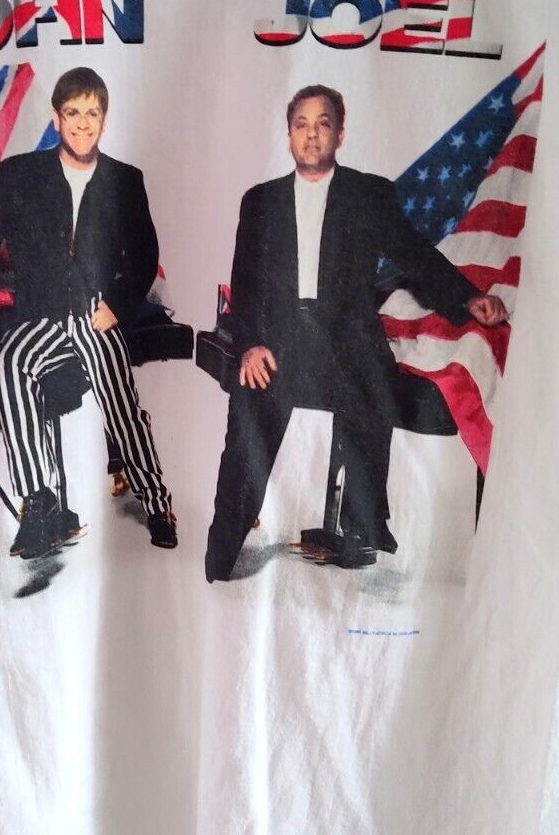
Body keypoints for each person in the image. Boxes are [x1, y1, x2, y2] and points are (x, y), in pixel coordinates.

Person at [205, 85, 508, 581]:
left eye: (323, 124)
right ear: (288, 135)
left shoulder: (368, 194)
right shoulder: (259, 202)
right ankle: (221, 554)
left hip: (346, 334)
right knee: (249, 423)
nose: (311, 135)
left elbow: (413, 254)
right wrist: (251, 345)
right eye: (301, 124)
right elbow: (246, 282)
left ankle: (361, 529)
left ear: (340, 134)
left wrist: (467, 297)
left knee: (370, 379)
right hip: (278, 339)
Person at [0, 66, 177, 561]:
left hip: (94, 314)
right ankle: (40, 503)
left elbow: (145, 254)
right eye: (73, 113)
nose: (82, 123)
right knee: (10, 362)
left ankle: (157, 502)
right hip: (40, 314)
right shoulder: (20, 172)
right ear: (56, 118)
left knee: (121, 406)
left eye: (91, 114)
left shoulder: (126, 180)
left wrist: (117, 306)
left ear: (104, 120)